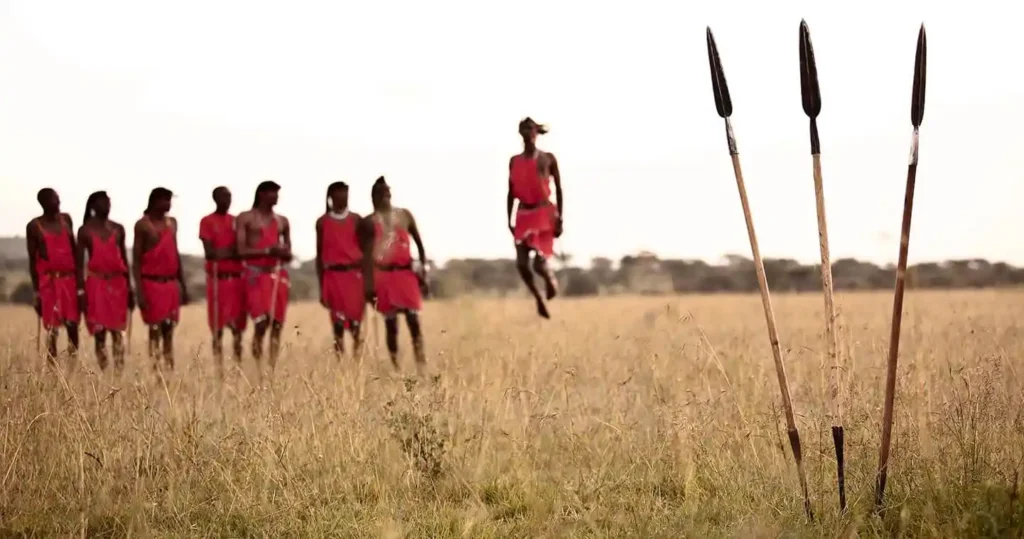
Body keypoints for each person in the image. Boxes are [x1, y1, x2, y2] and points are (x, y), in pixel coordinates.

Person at [358, 177, 428, 373]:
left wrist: (423, 272)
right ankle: (396, 367)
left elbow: (420, 245)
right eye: (379, 194)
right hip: (384, 276)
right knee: (391, 324)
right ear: (373, 197)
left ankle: (421, 365)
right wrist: (369, 286)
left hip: (406, 274)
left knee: (414, 321)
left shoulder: (405, 215)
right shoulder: (368, 222)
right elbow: (365, 257)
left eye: (386, 193)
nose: (384, 197)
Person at [507, 117, 563, 318]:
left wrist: (560, 218)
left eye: (530, 128)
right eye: (523, 128)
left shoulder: (547, 158)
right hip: (523, 214)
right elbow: (511, 192)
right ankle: (538, 299)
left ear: (536, 132)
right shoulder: (514, 161)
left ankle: (550, 279)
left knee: (539, 263)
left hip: (543, 212)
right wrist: (509, 220)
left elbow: (558, 188)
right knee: (522, 264)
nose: (527, 132)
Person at [237, 180, 292, 371]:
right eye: (272, 193)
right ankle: (258, 364)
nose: (276, 197)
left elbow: (288, 253)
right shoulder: (245, 218)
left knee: (277, 324)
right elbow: (241, 250)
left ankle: (272, 367)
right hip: (255, 275)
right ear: (261, 194)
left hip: (277, 275)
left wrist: (282, 252)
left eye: (277, 193)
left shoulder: (282, 221)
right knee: (261, 323)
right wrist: (269, 251)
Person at [133, 187, 189, 370]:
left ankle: (169, 369)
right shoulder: (142, 225)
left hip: (170, 283)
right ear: (155, 201)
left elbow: (175, 253)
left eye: (170, 200)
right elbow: (136, 260)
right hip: (151, 283)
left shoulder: (172, 223)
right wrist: (139, 292)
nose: (168, 204)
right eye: (165, 200)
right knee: (155, 329)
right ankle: (155, 370)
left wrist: (183, 284)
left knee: (169, 329)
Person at [76, 191, 133, 371]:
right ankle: (104, 372)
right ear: (93, 206)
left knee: (118, 332)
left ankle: (119, 373)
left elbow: (124, 259)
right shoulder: (85, 230)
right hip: (96, 284)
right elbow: (78, 264)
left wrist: (130, 287)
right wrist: (80, 291)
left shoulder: (118, 228)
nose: (107, 206)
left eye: (109, 202)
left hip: (118, 284)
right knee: (99, 332)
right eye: (103, 203)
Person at [26, 188, 82, 364]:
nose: (58, 202)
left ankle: (73, 366)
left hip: (69, 280)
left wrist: (80, 285)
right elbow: (32, 259)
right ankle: (53, 370)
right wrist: (36, 293)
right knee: (52, 329)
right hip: (48, 282)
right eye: (53, 199)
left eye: (58, 198)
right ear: (44, 203)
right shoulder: (35, 226)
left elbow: (74, 252)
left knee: (72, 324)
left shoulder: (66, 220)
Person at [199, 186, 247, 376]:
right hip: (218, 280)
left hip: (236, 280)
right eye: (223, 197)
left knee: (238, 329)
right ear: (215, 199)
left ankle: (237, 368)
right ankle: (219, 368)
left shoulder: (236, 221)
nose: (227, 201)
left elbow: (242, 248)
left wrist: (228, 252)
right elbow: (210, 253)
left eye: (229, 197)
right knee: (217, 328)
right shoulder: (207, 221)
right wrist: (232, 251)